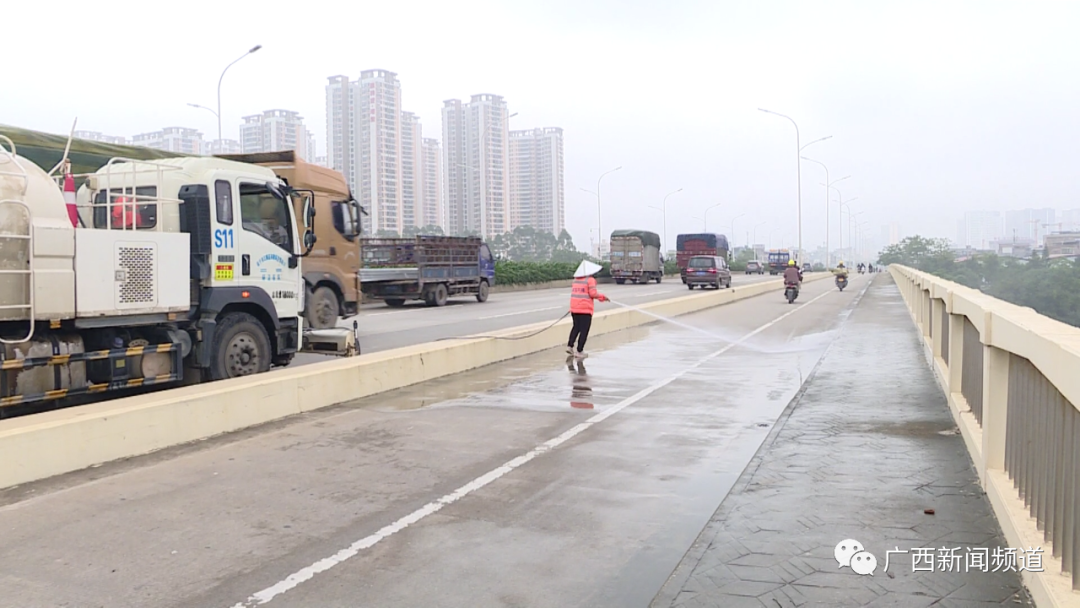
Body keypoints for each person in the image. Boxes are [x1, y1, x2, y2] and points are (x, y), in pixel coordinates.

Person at [567, 260, 608, 360]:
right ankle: (579, 351)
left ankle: (570, 345)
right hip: (585, 310)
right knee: (584, 330)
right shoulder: (590, 280)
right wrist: (603, 297)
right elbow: (593, 294)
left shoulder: (576, 280)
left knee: (576, 327)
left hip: (574, 309)